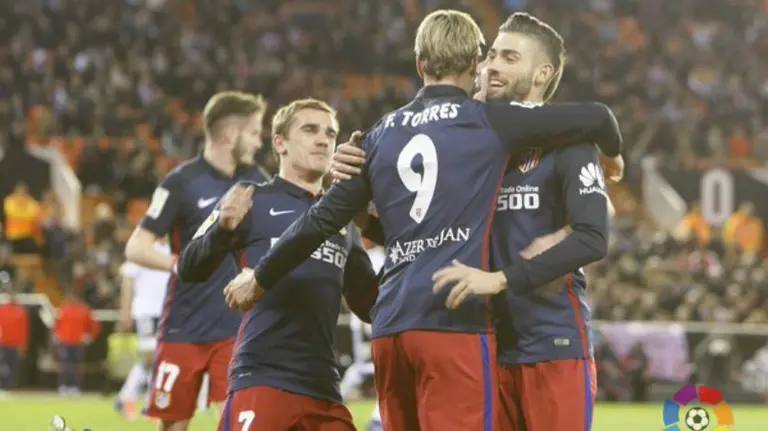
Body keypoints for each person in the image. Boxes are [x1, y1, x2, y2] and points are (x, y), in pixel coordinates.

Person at [223, 9, 622, 431]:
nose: (492, 67)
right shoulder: (484, 130)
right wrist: (359, 204)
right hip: (470, 331)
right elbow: (389, 224)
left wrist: (609, 163)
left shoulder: (554, 143)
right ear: (473, 64)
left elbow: (594, 233)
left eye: (507, 57)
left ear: (541, 74)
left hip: (544, 342)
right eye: (490, 57)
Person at [176, 98, 378, 430]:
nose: (324, 140)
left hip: (323, 387)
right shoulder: (251, 198)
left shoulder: (342, 221)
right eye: (310, 130)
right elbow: (189, 267)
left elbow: (369, 304)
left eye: (330, 133)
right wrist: (221, 231)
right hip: (263, 376)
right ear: (279, 143)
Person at [124, 91, 268, 431]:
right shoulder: (180, 183)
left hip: (235, 327)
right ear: (229, 134)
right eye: (253, 132)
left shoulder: (257, 180)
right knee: (173, 425)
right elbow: (136, 247)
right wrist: (178, 264)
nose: (258, 142)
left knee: (236, 421)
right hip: (183, 325)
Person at [115, 239, 171, 420]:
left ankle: (145, 401)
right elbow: (127, 283)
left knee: (162, 359)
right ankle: (129, 398)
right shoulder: (141, 248)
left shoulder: (172, 249)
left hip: (167, 311)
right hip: (145, 311)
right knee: (149, 358)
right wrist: (125, 312)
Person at [54, 289, 100, 396]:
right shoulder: (63, 309)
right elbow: (57, 324)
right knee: (65, 365)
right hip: (65, 342)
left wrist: (89, 336)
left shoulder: (85, 310)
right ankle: (64, 386)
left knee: (76, 366)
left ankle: (75, 386)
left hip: (78, 343)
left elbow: (94, 326)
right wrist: (57, 334)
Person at [0, 289, 29, 395]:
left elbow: (24, 329)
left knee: (13, 367)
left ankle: (9, 387)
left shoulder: (21, 311)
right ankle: (2, 387)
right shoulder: (2, 310)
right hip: (3, 343)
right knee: (3, 366)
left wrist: (23, 345)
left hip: (15, 344)